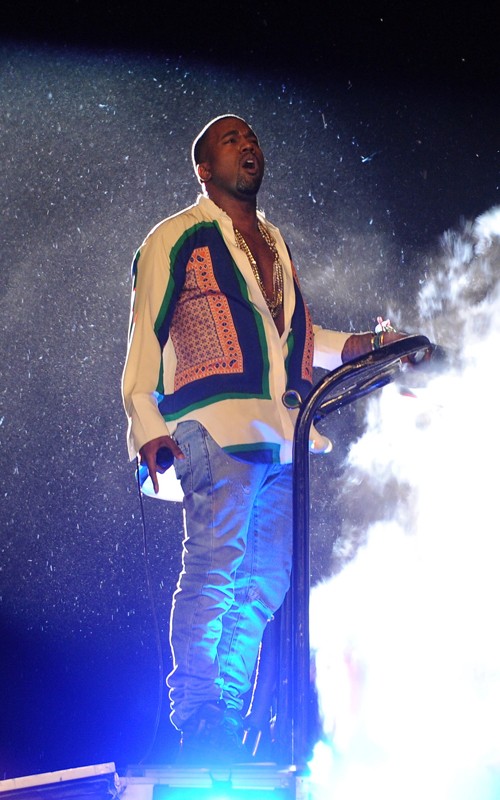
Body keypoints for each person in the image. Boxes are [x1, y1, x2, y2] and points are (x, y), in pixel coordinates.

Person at [121, 114, 409, 765]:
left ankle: (223, 714)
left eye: (251, 138)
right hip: (213, 428)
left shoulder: (274, 243)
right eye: (231, 140)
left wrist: (372, 346)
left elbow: (298, 342)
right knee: (215, 568)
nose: (247, 145)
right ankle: (198, 713)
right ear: (204, 169)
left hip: (281, 437)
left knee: (265, 580)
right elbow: (145, 335)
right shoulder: (177, 237)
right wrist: (147, 423)